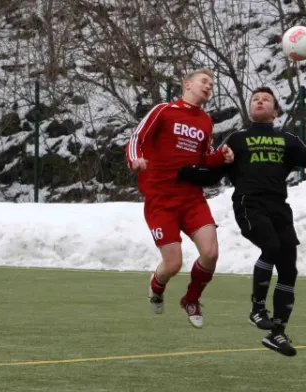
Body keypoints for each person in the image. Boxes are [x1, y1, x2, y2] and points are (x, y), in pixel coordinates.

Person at [176, 86, 306, 355]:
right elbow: (213, 173)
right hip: (249, 204)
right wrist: (184, 172)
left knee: (289, 268)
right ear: (250, 109)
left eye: (265, 99)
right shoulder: (237, 139)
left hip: (278, 208)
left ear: (275, 111)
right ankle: (257, 308)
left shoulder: (288, 141)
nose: (259, 101)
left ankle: (277, 333)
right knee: (270, 246)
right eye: (255, 99)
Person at [125, 68, 234, 329]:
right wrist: (135, 160)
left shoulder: (206, 121)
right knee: (173, 264)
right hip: (161, 200)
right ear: (187, 84)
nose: (208, 86)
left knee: (211, 252)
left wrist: (221, 157)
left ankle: (192, 299)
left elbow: (203, 158)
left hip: (191, 198)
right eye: (203, 81)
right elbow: (137, 137)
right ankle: (157, 284)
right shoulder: (163, 110)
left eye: (211, 84)